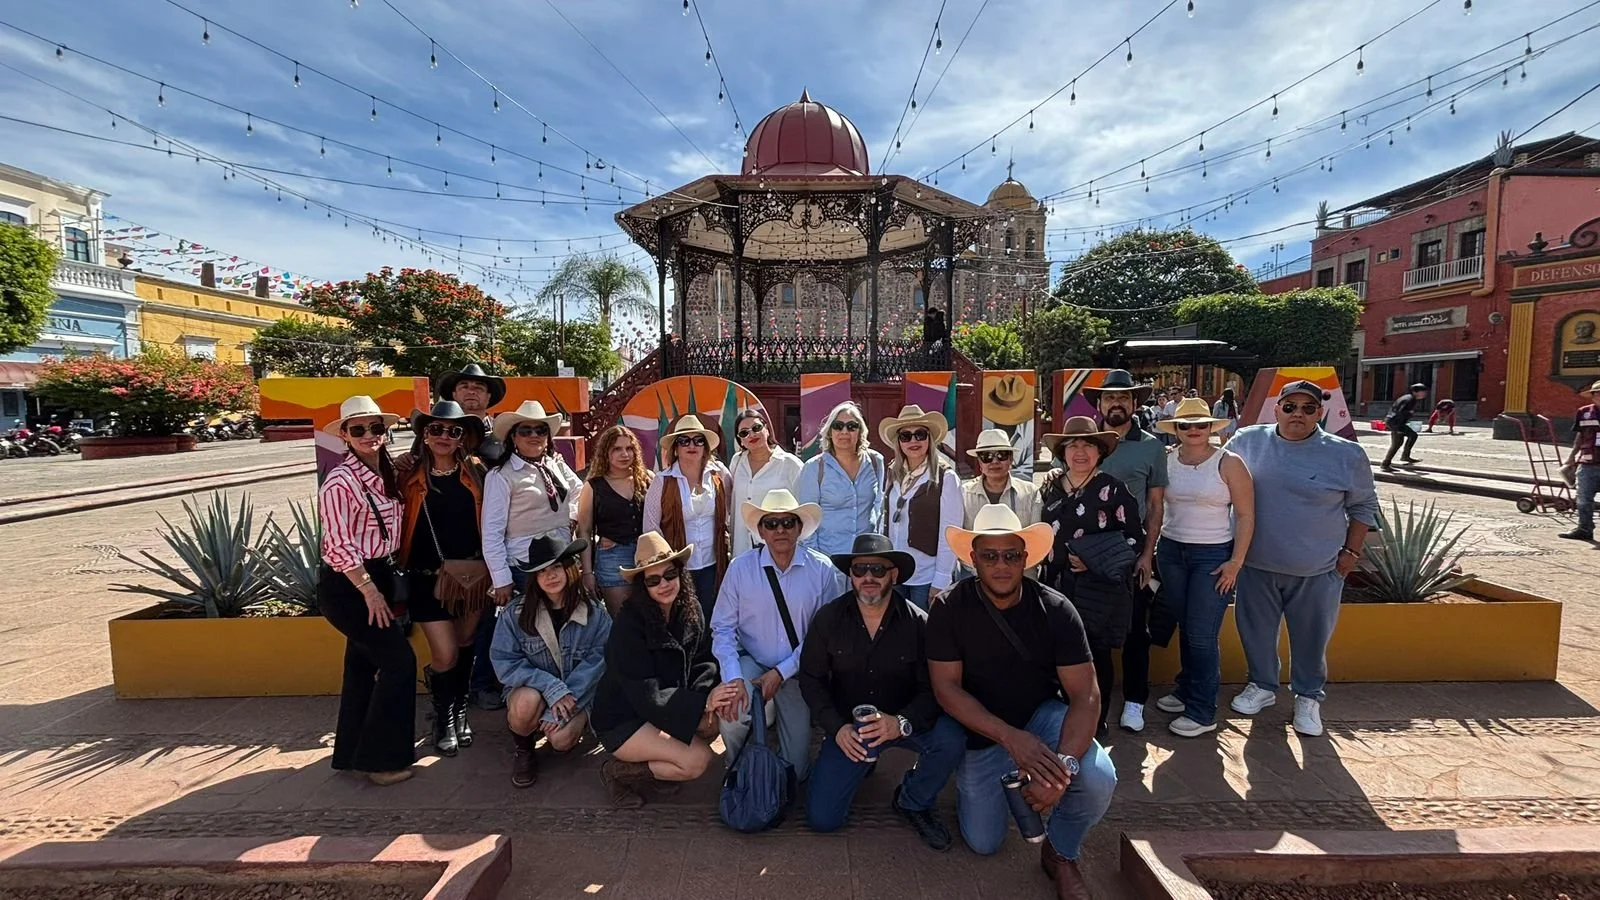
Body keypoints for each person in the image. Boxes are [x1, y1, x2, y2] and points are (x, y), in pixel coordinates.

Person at [928, 505, 1117, 899]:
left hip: (1041, 715)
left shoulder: (1056, 609)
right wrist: (1012, 740)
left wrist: (1061, 768)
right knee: (984, 842)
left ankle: (1061, 853)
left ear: (1025, 558)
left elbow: (1087, 694)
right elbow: (946, 689)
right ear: (973, 559)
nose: (1001, 565)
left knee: (1098, 777)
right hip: (983, 732)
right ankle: (983, 782)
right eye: (990, 556)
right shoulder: (949, 608)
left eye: (1011, 555)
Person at [1226, 381, 1379, 737]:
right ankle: (1262, 686)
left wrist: (1351, 553)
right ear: (1276, 409)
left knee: (1311, 638)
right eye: (1290, 406)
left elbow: (1363, 505)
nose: (1298, 414)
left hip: (1316, 567)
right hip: (1255, 565)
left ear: (1320, 413)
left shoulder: (1345, 454)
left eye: (1308, 408)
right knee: (1256, 633)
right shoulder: (1246, 441)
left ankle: (1308, 697)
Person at [799, 532, 965, 849]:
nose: (868, 578)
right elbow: (811, 679)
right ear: (851, 575)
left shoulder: (919, 624)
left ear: (894, 574)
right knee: (823, 820)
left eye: (878, 569)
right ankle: (862, 762)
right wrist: (836, 729)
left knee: (951, 738)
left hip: (904, 723)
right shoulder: (829, 619)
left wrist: (900, 721)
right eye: (860, 570)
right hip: (852, 727)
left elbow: (935, 688)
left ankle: (913, 798)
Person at [590, 533, 744, 807]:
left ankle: (660, 761)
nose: (664, 584)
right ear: (642, 585)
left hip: (663, 707)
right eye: (653, 580)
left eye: (670, 574)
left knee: (713, 724)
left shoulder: (690, 608)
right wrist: (701, 703)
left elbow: (703, 661)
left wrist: (705, 701)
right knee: (697, 762)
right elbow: (644, 692)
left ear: (680, 574)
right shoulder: (629, 624)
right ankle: (618, 771)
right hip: (624, 718)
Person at [713, 489, 846, 783]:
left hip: (797, 670)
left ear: (799, 527)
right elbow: (722, 628)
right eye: (771, 524)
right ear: (761, 530)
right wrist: (734, 677)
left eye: (788, 522)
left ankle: (779, 772)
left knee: (796, 771)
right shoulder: (740, 569)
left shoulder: (822, 570)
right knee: (732, 714)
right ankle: (738, 771)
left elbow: (823, 638)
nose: (780, 530)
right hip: (751, 661)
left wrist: (781, 672)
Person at [315, 396, 415, 786]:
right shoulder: (340, 482)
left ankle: (353, 752)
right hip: (352, 582)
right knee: (398, 663)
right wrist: (369, 591)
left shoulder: (387, 472)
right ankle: (382, 761)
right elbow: (338, 545)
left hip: (380, 573)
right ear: (344, 435)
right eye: (359, 429)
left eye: (376, 428)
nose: (370, 435)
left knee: (361, 665)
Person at [1151, 398, 1256, 738]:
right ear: (1176, 430)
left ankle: (1202, 710)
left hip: (1212, 555)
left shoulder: (1229, 463)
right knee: (1186, 625)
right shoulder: (1167, 461)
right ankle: (1187, 688)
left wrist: (1235, 562)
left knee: (1201, 634)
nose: (1194, 430)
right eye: (1185, 425)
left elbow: (1245, 515)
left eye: (1200, 424)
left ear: (1211, 427)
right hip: (1171, 550)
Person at [1040, 417, 1148, 740]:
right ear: (1063, 452)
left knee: (1095, 655)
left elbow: (1133, 539)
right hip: (1055, 587)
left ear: (1100, 451)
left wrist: (1092, 559)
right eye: (1073, 445)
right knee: (1057, 651)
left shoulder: (1114, 490)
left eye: (1088, 445)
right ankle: (1063, 715)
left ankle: (1096, 722)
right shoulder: (1051, 487)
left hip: (1095, 590)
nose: (1081, 452)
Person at [1072, 369, 1165, 733]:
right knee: (1092, 633)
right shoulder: (1086, 442)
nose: (1116, 403)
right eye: (1110, 398)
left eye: (1124, 398)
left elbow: (1155, 506)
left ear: (1134, 403)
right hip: (1086, 560)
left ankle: (1135, 701)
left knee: (1133, 632)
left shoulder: (1151, 447)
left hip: (1129, 555)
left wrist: (1147, 553)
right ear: (1099, 403)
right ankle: (1093, 705)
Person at [396, 400, 488, 757]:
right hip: (426, 577)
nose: (444, 436)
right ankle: (444, 716)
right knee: (445, 653)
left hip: (471, 575)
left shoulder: (477, 473)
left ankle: (460, 709)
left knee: (465, 645)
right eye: (436, 429)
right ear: (424, 434)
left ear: (463, 437)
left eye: (453, 430)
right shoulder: (408, 475)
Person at [479, 400, 585, 710]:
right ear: (513, 437)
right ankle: (519, 694)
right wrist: (500, 579)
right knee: (527, 630)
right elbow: (492, 531)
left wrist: (574, 516)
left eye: (540, 430)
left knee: (560, 623)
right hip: (525, 566)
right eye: (526, 430)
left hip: (561, 557)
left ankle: (561, 690)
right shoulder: (501, 477)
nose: (534, 436)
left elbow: (579, 492)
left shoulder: (555, 464)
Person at [491, 535, 611, 788]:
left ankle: (569, 723)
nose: (550, 576)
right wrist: (550, 688)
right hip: (535, 689)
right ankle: (524, 749)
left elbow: (599, 660)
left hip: (578, 693)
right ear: (534, 578)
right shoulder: (515, 613)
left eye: (556, 567)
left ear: (570, 568)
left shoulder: (594, 612)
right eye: (541, 571)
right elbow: (504, 661)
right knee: (525, 704)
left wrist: (567, 697)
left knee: (561, 741)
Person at [642, 415, 732, 618]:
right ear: (676, 447)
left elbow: (728, 514)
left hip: (713, 565)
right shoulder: (662, 481)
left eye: (698, 440)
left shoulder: (720, 475)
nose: (692, 445)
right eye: (684, 440)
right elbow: (651, 528)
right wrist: (665, 566)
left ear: (706, 446)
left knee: (712, 619)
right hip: (679, 567)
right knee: (684, 619)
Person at [879, 405, 962, 609]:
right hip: (895, 573)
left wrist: (941, 580)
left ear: (929, 439)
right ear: (899, 442)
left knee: (925, 635)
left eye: (920, 434)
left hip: (926, 576)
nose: (913, 441)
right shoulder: (893, 473)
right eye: (906, 436)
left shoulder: (945, 477)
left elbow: (950, 533)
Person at [574, 425, 652, 616]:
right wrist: (587, 572)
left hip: (648, 556)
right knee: (621, 620)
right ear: (605, 453)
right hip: (613, 558)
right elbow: (583, 530)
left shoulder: (648, 479)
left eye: (629, 448)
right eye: (617, 449)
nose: (624, 454)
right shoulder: (593, 487)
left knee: (650, 618)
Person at [797, 401, 885, 557]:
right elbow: (807, 519)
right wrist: (816, 560)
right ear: (829, 432)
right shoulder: (814, 468)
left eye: (851, 426)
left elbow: (878, 506)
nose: (845, 431)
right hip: (829, 558)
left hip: (866, 557)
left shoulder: (876, 461)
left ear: (860, 431)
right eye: (838, 426)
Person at [728, 407, 803, 557]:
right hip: (743, 545)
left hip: (778, 545)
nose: (752, 435)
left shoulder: (790, 464)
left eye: (756, 428)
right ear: (740, 440)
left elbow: (802, 508)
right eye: (744, 433)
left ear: (767, 429)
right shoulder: (736, 462)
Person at [961, 428, 1041, 528]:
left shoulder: (1031, 493)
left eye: (1001, 455)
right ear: (979, 462)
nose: (995, 461)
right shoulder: (964, 494)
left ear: (1011, 459)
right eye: (987, 456)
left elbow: (1036, 535)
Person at [1559, 380, 1600, 542]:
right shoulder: (1583, 412)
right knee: (1583, 498)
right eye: (1596, 393)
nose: (1599, 396)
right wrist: (1571, 456)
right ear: (1592, 396)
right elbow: (1579, 436)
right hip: (1587, 462)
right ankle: (1584, 528)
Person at [1380, 382, 1429, 470]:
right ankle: (1390, 462)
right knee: (1411, 436)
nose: (1425, 394)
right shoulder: (1410, 399)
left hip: (1394, 421)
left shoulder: (1408, 397)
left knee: (1398, 443)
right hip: (1396, 422)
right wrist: (1409, 413)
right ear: (1416, 392)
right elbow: (1400, 411)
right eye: (1423, 392)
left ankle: (1391, 461)